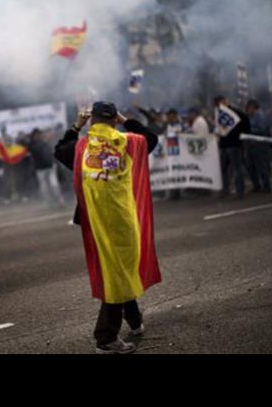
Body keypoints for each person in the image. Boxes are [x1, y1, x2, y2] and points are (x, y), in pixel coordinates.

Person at [54, 101, 161, 354]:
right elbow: (152, 138)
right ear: (114, 120)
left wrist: (74, 126)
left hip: (95, 223)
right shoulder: (128, 142)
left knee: (117, 270)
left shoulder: (80, 148)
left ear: (91, 122)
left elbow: (59, 150)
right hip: (122, 221)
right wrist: (126, 121)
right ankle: (106, 338)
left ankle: (134, 320)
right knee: (118, 272)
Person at [213, 96, 250, 199]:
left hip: (233, 144)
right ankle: (225, 190)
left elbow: (245, 121)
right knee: (223, 169)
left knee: (236, 168)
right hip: (224, 145)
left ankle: (240, 191)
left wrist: (241, 137)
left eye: (220, 102)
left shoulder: (234, 112)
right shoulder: (218, 113)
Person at [28, 128, 65, 207]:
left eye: (39, 134)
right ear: (34, 135)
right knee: (44, 186)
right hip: (40, 169)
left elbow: (51, 153)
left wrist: (54, 163)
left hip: (50, 167)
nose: (38, 136)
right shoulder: (33, 144)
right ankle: (48, 202)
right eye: (37, 134)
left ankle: (59, 200)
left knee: (53, 184)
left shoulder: (44, 142)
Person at [245, 99, 272, 193]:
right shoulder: (250, 116)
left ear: (253, 107)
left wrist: (248, 130)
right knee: (250, 166)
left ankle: (266, 186)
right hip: (251, 144)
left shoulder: (260, 115)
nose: (248, 110)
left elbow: (262, 129)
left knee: (261, 166)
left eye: (249, 107)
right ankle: (256, 185)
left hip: (259, 144)